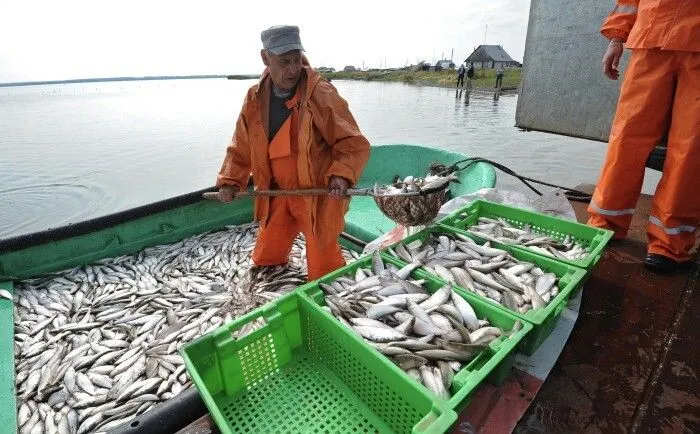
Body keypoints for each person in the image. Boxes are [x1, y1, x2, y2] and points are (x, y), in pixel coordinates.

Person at [216, 25, 371, 281]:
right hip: (276, 191)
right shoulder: (255, 98)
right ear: (266, 58)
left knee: (325, 273)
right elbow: (241, 145)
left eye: (296, 60)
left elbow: (352, 142)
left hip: (317, 194)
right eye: (284, 61)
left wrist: (341, 176)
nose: (292, 69)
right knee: (266, 260)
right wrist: (230, 181)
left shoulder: (320, 93)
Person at [587, 0, 699, 273]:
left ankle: (669, 244)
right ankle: (605, 224)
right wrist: (616, 38)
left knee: (690, 147)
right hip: (650, 38)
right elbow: (629, 2)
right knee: (626, 138)